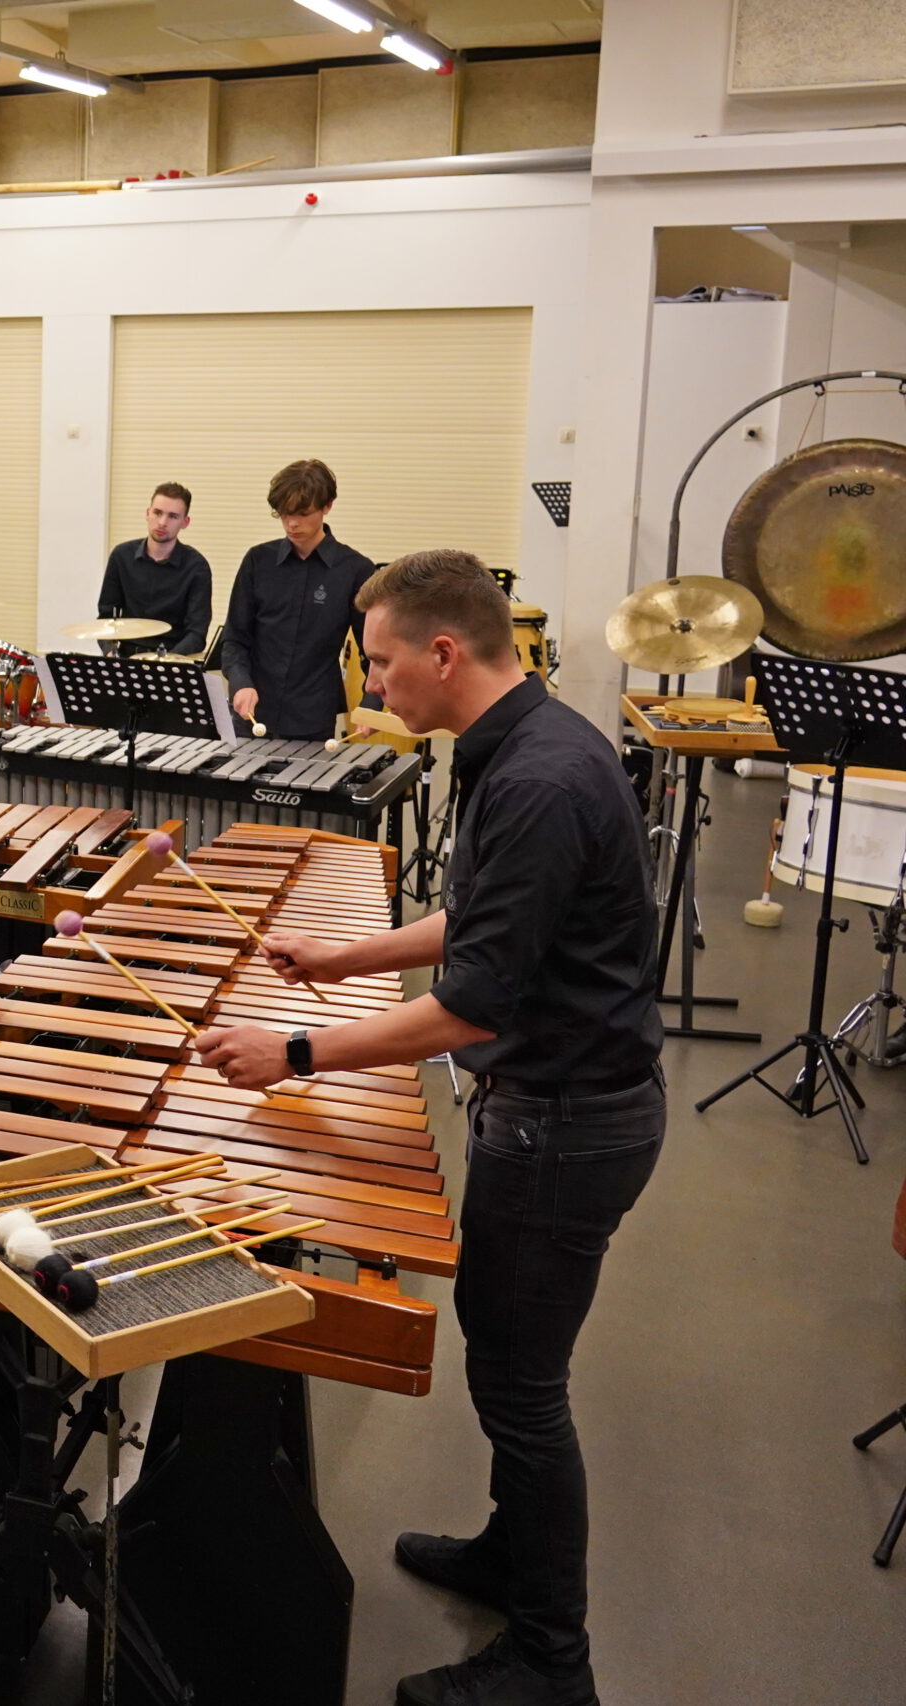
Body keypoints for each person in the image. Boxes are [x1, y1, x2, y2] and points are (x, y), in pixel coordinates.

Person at [193, 549, 660, 1706]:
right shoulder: (525, 745)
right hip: (556, 1108)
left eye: (381, 660)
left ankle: (551, 1658)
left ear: (443, 653)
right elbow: (482, 918)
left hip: (564, 1121)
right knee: (506, 1357)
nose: (370, 683)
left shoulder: (540, 779)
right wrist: (341, 957)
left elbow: (470, 1006)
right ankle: (510, 1553)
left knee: (520, 1384)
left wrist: (292, 1052)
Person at [219, 458, 379, 738]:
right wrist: (241, 683)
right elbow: (234, 640)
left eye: (303, 513)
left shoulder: (356, 570)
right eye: (284, 514)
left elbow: (374, 651)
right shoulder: (258, 561)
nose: (292, 524)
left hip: (313, 718)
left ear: (327, 506)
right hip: (253, 715)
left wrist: (372, 704)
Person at [97, 482, 210, 656]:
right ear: (147, 513)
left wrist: (167, 661)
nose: (162, 522)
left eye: (173, 516)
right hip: (126, 658)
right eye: (158, 513)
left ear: (185, 522)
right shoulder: (121, 556)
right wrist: (110, 651)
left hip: (173, 659)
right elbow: (106, 618)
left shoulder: (196, 566)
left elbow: (196, 633)